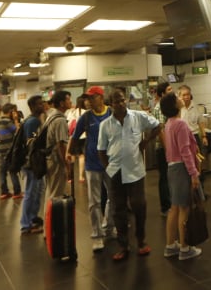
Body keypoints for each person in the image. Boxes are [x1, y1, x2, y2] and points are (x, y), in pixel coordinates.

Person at [97, 88, 161, 262]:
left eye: (122, 100)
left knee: (139, 205)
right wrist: (107, 168)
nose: (120, 103)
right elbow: (101, 150)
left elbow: (157, 125)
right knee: (118, 210)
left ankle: (141, 241)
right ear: (110, 105)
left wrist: (146, 141)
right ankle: (123, 246)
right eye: (116, 101)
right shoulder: (105, 125)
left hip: (135, 171)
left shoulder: (138, 117)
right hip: (115, 172)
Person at [69, 85, 114, 252]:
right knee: (94, 201)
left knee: (113, 197)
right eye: (88, 98)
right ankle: (96, 235)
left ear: (101, 98)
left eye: (92, 97)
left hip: (111, 163)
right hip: (92, 164)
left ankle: (108, 226)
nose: (88, 101)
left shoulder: (111, 113)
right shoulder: (86, 118)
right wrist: (69, 154)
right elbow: (74, 138)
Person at [161, 92, 202, 261]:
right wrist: (194, 174)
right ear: (174, 105)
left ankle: (171, 245)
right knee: (184, 208)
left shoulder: (168, 124)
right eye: (177, 97)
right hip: (181, 169)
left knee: (174, 207)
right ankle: (185, 248)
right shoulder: (181, 125)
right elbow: (185, 151)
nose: (180, 98)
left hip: (172, 168)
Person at [19, 95, 46, 236]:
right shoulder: (32, 122)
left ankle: (33, 217)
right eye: (39, 104)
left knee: (38, 190)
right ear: (32, 107)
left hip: (34, 162)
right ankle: (25, 224)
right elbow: (32, 144)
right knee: (31, 191)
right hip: (31, 163)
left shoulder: (35, 120)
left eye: (42, 103)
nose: (42, 106)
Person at [150, 81, 173, 213]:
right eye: (169, 90)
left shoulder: (168, 107)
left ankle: (171, 202)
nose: (172, 91)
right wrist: (167, 149)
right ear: (163, 93)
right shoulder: (159, 108)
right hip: (163, 148)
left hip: (170, 147)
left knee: (169, 176)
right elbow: (160, 130)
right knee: (164, 177)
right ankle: (165, 206)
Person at [44, 90, 72, 200]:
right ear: (61, 103)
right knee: (56, 194)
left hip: (49, 159)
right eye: (68, 99)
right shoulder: (60, 120)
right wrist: (67, 165)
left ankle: (48, 216)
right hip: (56, 161)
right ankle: (53, 217)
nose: (70, 101)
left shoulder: (51, 116)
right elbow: (61, 144)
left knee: (51, 192)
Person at [0, 105, 22, 200]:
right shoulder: (8, 122)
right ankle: (17, 192)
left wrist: (2, 135)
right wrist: (16, 120)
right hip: (10, 149)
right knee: (12, 170)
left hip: (2, 149)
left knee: (3, 171)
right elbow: (17, 131)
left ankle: (4, 192)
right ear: (10, 112)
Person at [178, 84, 208, 153]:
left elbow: (201, 122)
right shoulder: (177, 108)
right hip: (182, 137)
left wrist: (204, 136)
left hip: (194, 136)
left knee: (197, 159)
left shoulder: (196, 107)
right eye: (184, 95)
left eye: (188, 94)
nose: (186, 97)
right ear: (179, 96)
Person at [66, 94, 89, 183]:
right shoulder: (86, 112)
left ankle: (70, 177)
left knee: (72, 156)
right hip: (83, 136)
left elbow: (68, 124)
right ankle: (81, 176)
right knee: (82, 156)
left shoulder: (71, 112)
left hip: (73, 136)